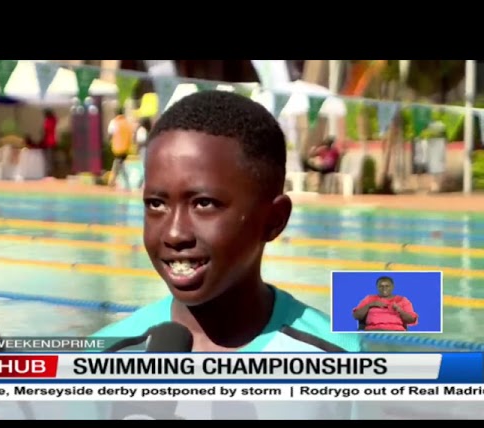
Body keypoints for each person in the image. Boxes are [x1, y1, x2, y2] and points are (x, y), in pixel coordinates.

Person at [92, 91, 361, 354]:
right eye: (156, 204)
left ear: (274, 220)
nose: (174, 233)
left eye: (204, 204)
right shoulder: (104, 355)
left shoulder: (336, 355)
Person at [352, 276, 418, 332]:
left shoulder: (402, 300)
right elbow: (356, 316)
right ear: (377, 287)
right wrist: (371, 305)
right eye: (381, 286)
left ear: (393, 287)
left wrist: (400, 310)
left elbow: (411, 320)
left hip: (396, 332)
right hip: (372, 332)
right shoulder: (369, 298)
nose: (384, 288)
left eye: (387, 286)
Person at [107, 107, 134, 189]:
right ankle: (114, 181)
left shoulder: (114, 122)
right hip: (126, 147)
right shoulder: (127, 123)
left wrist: (110, 141)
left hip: (117, 147)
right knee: (119, 164)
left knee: (119, 164)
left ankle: (114, 181)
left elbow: (110, 133)